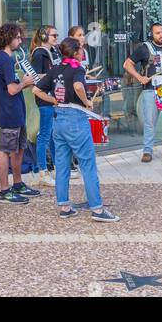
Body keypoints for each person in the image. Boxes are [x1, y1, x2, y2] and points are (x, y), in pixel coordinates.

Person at [33, 36, 119, 222]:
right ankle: (97, 209)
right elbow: (79, 85)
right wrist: (87, 101)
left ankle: (64, 206)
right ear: (74, 52)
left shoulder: (55, 69)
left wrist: (54, 100)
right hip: (75, 118)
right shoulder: (77, 68)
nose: (82, 52)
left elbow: (36, 90)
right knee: (87, 164)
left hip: (59, 118)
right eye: (80, 49)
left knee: (62, 165)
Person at [0, 22, 40, 205]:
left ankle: (18, 183)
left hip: (15, 111)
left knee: (19, 149)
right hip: (9, 112)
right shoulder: (5, 59)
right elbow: (12, 89)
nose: (20, 40)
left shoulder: (4, 58)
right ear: (8, 38)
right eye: (17, 37)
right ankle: (5, 190)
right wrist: (26, 83)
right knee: (5, 150)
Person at [124, 22, 162, 163]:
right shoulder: (144, 48)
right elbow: (127, 64)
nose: (161, 35)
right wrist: (139, 77)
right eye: (157, 33)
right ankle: (147, 151)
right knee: (150, 122)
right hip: (151, 90)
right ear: (151, 34)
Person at [30, 24, 60, 177]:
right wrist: (52, 75)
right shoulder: (39, 54)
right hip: (44, 97)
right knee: (45, 135)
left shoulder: (52, 52)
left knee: (53, 134)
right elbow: (35, 77)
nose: (56, 38)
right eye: (54, 35)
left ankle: (57, 166)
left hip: (52, 96)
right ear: (43, 37)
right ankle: (42, 171)